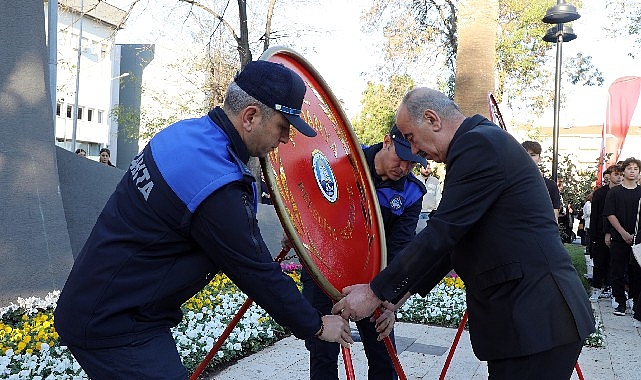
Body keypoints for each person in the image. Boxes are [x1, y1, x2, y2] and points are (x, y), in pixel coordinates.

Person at [54, 60, 353, 379]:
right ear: (251, 116)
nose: (285, 139)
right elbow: (255, 270)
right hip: (113, 324)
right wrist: (317, 325)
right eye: (283, 126)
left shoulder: (187, 135)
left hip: (111, 307)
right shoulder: (215, 181)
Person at [332, 87, 595, 379]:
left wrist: (374, 292)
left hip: (536, 319)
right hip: (528, 322)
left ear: (433, 120)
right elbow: (453, 242)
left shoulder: (478, 145)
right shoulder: (479, 142)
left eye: (410, 138)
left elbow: (442, 232)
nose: (415, 150)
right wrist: (394, 295)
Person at [301, 124, 426, 380]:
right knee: (323, 354)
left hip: (373, 282)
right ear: (386, 141)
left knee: (384, 356)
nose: (403, 168)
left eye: (412, 164)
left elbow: (400, 250)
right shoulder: (342, 164)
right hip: (325, 273)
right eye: (400, 157)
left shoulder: (412, 191)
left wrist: (389, 303)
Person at [603, 157, 641, 321]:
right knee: (617, 270)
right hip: (619, 237)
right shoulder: (614, 192)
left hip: (638, 239)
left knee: (636, 271)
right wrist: (622, 233)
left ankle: (634, 298)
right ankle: (620, 301)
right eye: (629, 168)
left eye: (636, 169)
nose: (632, 171)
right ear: (623, 171)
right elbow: (610, 214)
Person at [589, 165, 622, 301]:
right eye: (616, 174)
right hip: (600, 233)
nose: (619, 177)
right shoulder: (600, 193)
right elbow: (595, 215)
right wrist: (594, 236)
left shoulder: (623, 192)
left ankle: (611, 288)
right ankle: (597, 287)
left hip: (618, 233)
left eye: (620, 174)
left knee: (614, 264)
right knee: (599, 262)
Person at [521, 140, 561, 223]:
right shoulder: (512, 182)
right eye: (525, 155)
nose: (529, 158)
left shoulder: (550, 185)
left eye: (533, 155)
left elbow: (554, 216)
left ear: (540, 158)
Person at [416, 161, 441, 231]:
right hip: (417, 212)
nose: (427, 170)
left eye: (429, 168)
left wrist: (437, 211)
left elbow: (438, 197)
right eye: (424, 168)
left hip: (430, 213)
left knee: (429, 232)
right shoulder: (416, 180)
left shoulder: (435, 181)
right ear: (420, 169)